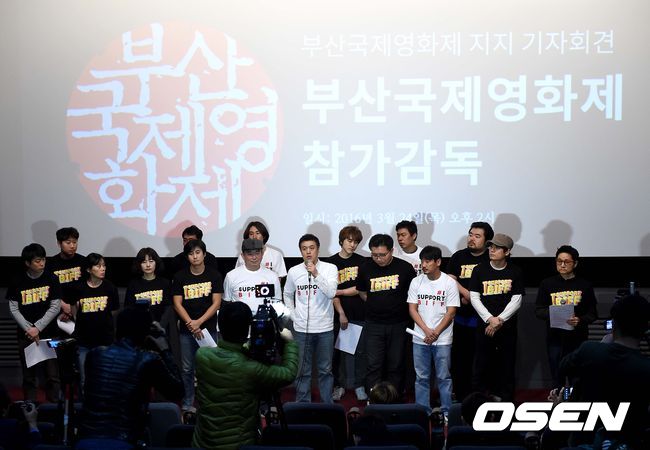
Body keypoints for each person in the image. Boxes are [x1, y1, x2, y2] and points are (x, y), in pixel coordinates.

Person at [192, 301, 298, 450]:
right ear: (248, 328)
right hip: (239, 445)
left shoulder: (202, 355)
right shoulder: (251, 368)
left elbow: (233, 355)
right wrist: (290, 344)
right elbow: (288, 373)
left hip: (202, 443)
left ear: (220, 325)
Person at [77, 307, 183, 449]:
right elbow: (178, 392)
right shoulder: (147, 360)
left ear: (117, 329)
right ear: (145, 334)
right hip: (123, 441)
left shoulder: (95, 354)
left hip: (85, 439)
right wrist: (165, 350)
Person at [557, 294, 650, 449]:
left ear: (614, 324)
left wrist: (602, 344)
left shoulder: (589, 351)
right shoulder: (645, 367)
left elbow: (563, 368)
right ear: (645, 328)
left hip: (584, 440)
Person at [357, 233, 416, 395]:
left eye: (382, 255)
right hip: (373, 324)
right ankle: (374, 398)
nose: (378, 259)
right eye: (374, 255)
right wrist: (376, 304)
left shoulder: (405, 268)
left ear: (391, 251)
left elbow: (412, 295)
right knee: (373, 365)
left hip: (399, 324)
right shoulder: (365, 268)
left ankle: (394, 398)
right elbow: (362, 292)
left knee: (396, 364)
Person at [283, 233, 338, 403]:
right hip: (301, 329)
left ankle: (327, 404)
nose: (308, 252)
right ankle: (302, 404)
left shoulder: (330, 268)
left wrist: (315, 273)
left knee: (325, 370)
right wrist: (293, 315)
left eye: (312, 248)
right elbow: (287, 294)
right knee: (302, 371)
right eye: (304, 249)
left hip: (325, 328)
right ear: (300, 251)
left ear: (318, 250)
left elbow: (331, 293)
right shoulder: (294, 271)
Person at [172, 239, 223, 419]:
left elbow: (216, 303)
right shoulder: (180, 277)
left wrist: (199, 322)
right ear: (187, 257)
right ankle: (188, 403)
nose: (195, 256)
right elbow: (177, 303)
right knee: (187, 369)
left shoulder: (214, 275)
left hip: (208, 329)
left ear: (204, 254)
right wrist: (191, 323)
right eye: (191, 253)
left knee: (209, 368)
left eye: (198, 252)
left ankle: (209, 402)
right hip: (187, 331)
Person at [469, 233, 524, 401]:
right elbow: (474, 297)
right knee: (481, 365)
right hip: (484, 327)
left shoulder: (515, 271)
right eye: (490, 247)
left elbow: (517, 299)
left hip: (506, 327)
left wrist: (499, 320)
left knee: (506, 366)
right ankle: (479, 402)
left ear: (507, 252)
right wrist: (489, 319)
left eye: (497, 248)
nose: (491, 250)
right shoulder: (479, 270)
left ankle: (506, 402)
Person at [6, 243, 63, 402]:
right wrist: (29, 329)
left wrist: (37, 327)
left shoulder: (52, 278)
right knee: (29, 376)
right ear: (27, 263)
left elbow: (55, 306)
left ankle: (54, 406)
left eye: (43, 259)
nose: (42, 263)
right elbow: (13, 308)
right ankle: (30, 408)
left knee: (52, 375)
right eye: (38, 261)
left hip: (49, 334)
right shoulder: (17, 280)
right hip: (26, 335)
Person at [408, 245, 459, 417]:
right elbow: (412, 309)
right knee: (421, 377)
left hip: (442, 339)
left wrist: (435, 332)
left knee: (444, 377)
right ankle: (423, 412)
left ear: (438, 262)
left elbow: (451, 312)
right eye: (422, 261)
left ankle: (446, 412)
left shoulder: (449, 283)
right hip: (420, 337)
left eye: (428, 261)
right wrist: (425, 330)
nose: (424, 265)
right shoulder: (416, 281)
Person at [535, 245, 597, 385]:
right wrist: (554, 313)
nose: (562, 265)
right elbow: (538, 310)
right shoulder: (547, 284)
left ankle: (576, 398)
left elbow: (592, 314)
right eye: (559, 261)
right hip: (555, 338)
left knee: (577, 376)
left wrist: (580, 320)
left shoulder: (585, 285)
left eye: (567, 262)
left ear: (575, 263)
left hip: (578, 338)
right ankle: (558, 398)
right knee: (557, 375)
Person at [446, 222, 494, 402]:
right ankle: (460, 394)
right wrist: (465, 294)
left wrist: (473, 297)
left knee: (482, 359)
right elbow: (450, 280)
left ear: (487, 241)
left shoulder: (490, 258)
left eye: (477, 236)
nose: (471, 238)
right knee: (460, 359)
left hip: (483, 318)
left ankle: (481, 395)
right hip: (460, 317)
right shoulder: (459, 256)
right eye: (470, 234)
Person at [70, 252, 120, 394]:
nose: (102, 269)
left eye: (104, 266)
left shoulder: (110, 287)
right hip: (84, 341)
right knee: (85, 378)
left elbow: (114, 310)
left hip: (105, 340)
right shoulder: (79, 288)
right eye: (98, 266)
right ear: (88, 269)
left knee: (106, 377)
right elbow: (74, 309)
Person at [329, 226, 368, 401]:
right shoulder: (331, 263)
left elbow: (361, 288)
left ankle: (360, 386)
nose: (352, 245)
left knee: (360, 353)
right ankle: (339, 386)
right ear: (341, 241)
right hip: (338, 314)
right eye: (349, 241)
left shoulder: (362, 261)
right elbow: (331, 292)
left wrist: (342, 291)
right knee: (338, 354)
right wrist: (341, 313)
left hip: (360, 313)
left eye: (356, 242)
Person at [224, 238, 282, 314]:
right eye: (250, 254)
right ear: (242, 256)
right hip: (240, 319)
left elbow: (277, 302)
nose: (254, 257)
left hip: (265, 319)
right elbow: (227, 302)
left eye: (257, 253)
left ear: (262, 254)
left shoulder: (272, 276)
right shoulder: (231, 276)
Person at [48, 227, 86, 322]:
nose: (72, 246)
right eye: (68, 243)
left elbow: (88, 286)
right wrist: (63, 306)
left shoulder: (84, 261)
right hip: (57, 310)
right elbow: (47, 289)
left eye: (75, 242)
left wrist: (74, 308)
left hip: (81, 309)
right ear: (59, 243)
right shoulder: (50, 264)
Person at [124, 247, 172, 322]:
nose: (148, 265)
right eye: (144, 262)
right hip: (139, 325)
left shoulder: (165, 283)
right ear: (139, 264)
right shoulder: (133, 284)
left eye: (151, 261)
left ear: (156, 262)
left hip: (161, 325)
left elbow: (169, 308)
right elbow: (128, 308)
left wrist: (161, 325)